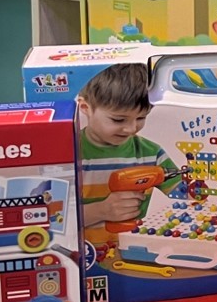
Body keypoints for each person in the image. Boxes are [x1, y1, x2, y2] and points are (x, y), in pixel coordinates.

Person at [75, 63, 179, 229]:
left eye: (141, 118)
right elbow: (51, 219)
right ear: (85, 108)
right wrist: (100, 211)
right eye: (118, 120)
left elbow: (187, 196)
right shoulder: (68, 154)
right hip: (81, 246)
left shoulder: (151, 153)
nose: (131, 129)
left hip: (134, 245)